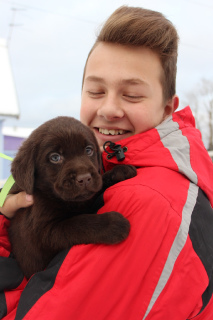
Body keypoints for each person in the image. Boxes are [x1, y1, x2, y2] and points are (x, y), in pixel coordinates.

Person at [1, 5, 213, 320]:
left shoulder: (150, 202)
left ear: (169, 109)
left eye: (132, 95)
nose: (109, 109)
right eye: (96, 91)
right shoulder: (118, 165)